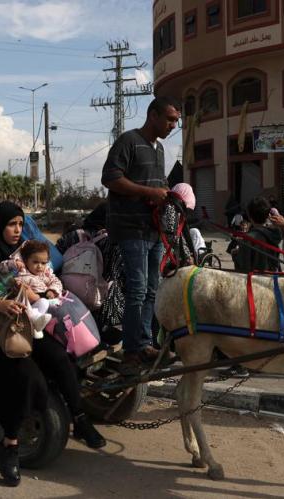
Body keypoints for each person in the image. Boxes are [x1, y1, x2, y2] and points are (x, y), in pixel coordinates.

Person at [0, 201, 105, 486]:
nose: (17, 230)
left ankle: (79, 418)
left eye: (20, 224)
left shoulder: (23, 252)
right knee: (25, 376)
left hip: (23, 318)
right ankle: (9, 444)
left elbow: (45, 272)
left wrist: (47, 290)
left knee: (59, 357)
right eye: (11, 224)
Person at [101, 96, 180, 370]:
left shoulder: (158, 149)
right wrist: (149, 193)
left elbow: (156, 185)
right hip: (131, 229)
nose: (173, 125)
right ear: (153, 115)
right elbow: (110, 178)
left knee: (150, 290)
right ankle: (131, 352)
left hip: (153, 230)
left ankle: (145, 343)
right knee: (136, 289)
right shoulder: (128, 141)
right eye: (170, 119)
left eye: (176, 121)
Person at [0, 240, 61, 338]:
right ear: (26, 260)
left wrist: (52, 290)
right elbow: (0, 268)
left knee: (44, 302)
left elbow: (56, 282)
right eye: (35, 262)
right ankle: (34, 322)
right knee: (23, 298)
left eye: (43, 263)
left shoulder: (46, 273)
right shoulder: (21, 268)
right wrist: (13, 264)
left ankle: (34, 324)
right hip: (21, 302)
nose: (40, 266)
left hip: (37, 301)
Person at [233, 197, 282, 274]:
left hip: (255, 281)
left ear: (249, 216)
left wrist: (235, 254)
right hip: (272, 279)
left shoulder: (249, 238)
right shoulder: (274, 234)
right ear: (267, 215)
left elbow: (243, 267)